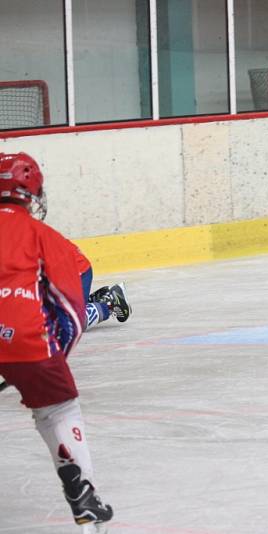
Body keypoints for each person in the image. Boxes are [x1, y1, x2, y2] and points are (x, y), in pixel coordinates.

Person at [0, 152, 114, 533]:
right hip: (29, 343)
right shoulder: (42, 235)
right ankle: (84, 500)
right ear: (29, 192)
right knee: (59, 411)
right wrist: (52, 358)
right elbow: (71, 310)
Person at [69, 242, 132, 330]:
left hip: (77, 273)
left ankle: (109, 303)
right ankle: (95, 301)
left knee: (69, 322)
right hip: (72, 271)